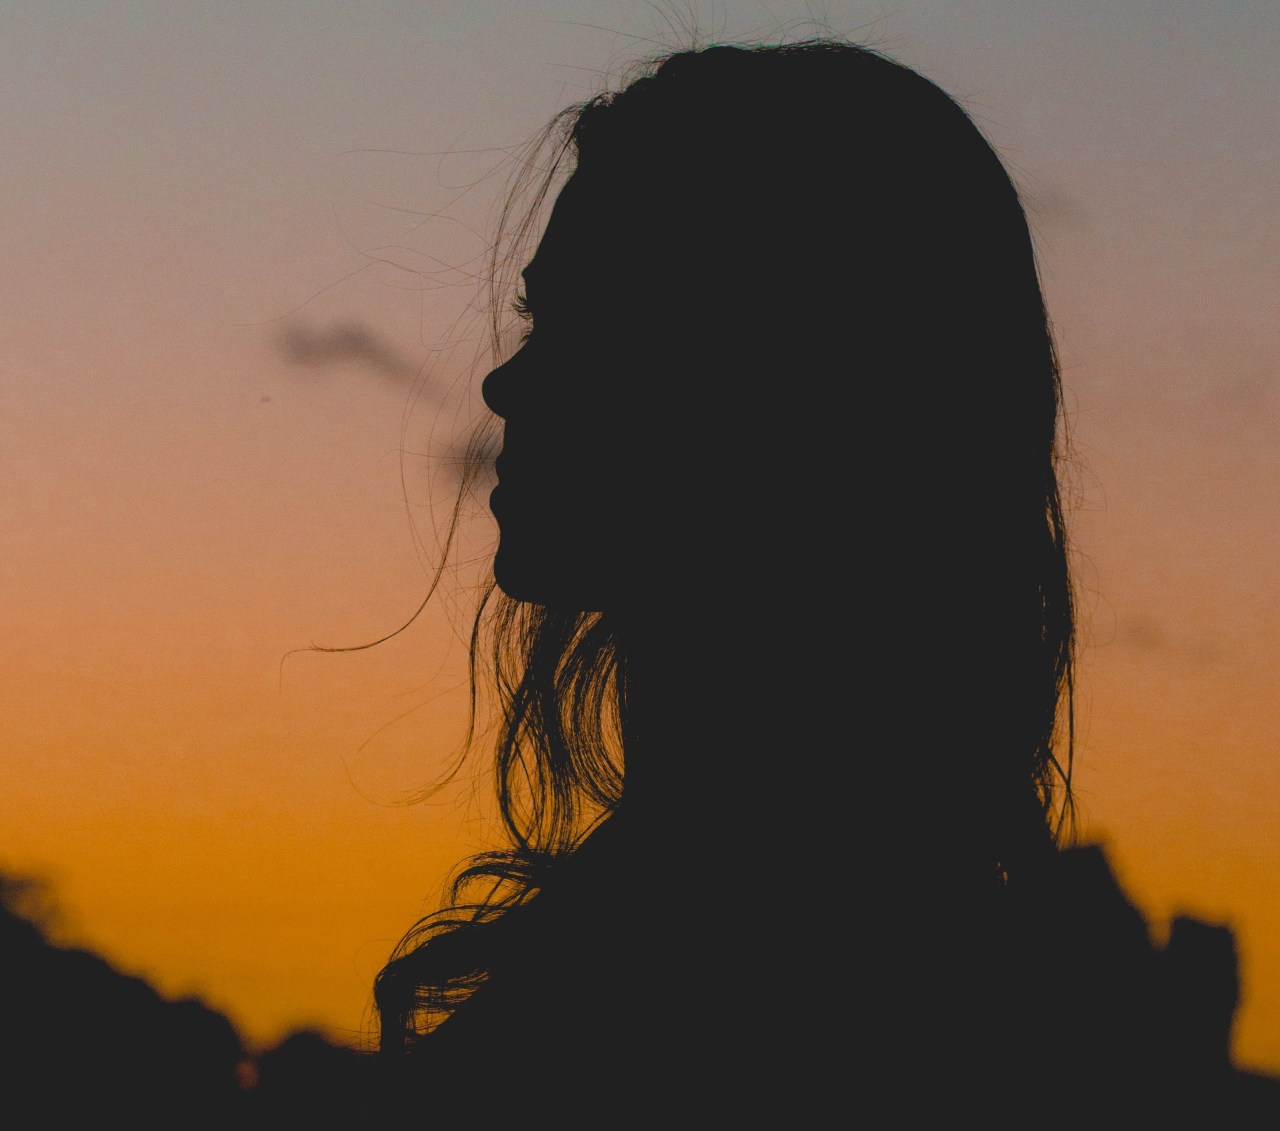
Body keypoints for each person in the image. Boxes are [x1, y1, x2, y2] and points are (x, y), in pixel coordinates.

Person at [367, 39, 1280, 1124]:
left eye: (592, 323)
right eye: (532, 318)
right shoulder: (871, 935)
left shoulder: (758, 972)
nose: (504, 377)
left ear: (771, 384)